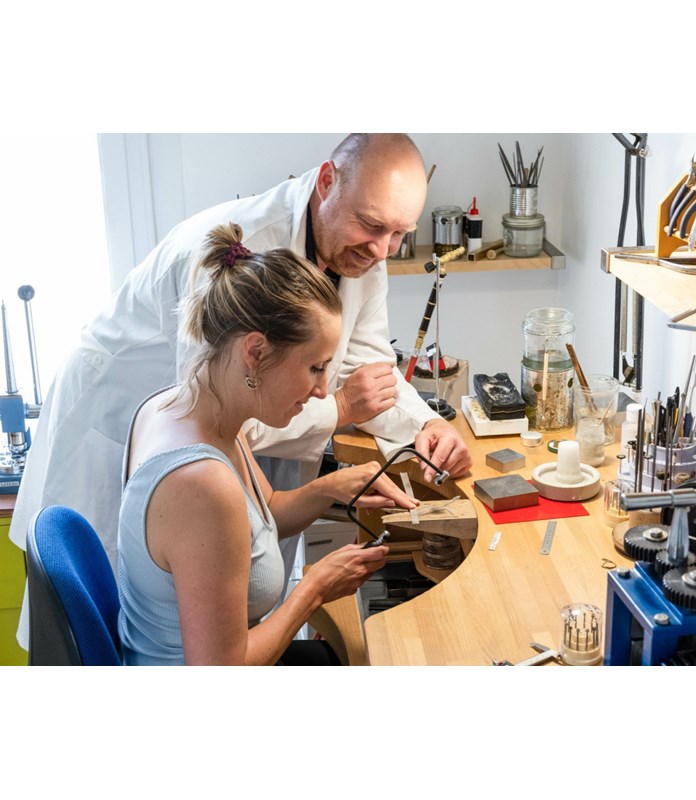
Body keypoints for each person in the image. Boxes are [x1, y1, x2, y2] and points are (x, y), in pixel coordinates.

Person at [9, 133, 472, 602]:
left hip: (200, 455)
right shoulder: (240, 254)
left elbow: (368, 365)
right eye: (372, 226)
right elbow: (214, 410)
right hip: (114, 423)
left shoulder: (363, 250)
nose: (383, 250)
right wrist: (338, 408)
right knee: (104, 618)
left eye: (400, 234)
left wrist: (425, 425)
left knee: (225, 602)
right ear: (328, 182)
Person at [119, 224, 417, 666]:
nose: (322, 390)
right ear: (255, 352)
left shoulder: (180, 408)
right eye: (315, 367)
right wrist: (313, 590)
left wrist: (337, 486)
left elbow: (265, 512)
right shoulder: (201, 485)